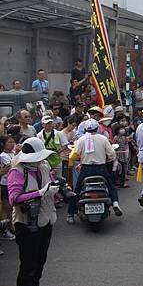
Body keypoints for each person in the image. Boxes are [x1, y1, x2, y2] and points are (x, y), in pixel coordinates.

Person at [7, 138, 58, 286]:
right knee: (28, 265)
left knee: (40, 260)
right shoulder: (17, 171)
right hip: (26, 223)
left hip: (46, 219)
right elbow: (14, 199)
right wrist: (40, 193)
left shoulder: (43, 166)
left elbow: (50, 182)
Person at [67, 119, 122, 224]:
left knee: (77, 191)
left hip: (86, 170)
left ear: (85, 129)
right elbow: (112, 154)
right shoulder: (103, 139)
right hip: (101, 168)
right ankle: (115, 203)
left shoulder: (81, 140)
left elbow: (75, 155)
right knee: (111, 186)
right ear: (97, 128)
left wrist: (83, 158)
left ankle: (70, 214)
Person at [0, 135, 17, 240]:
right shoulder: (2, 156)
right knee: (8, 207)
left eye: (13, 142)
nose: (12, 144)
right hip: (6, 183)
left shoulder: (15, 153)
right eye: (10, 142)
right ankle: (10, 227)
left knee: (15, 205)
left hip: (16, 182)